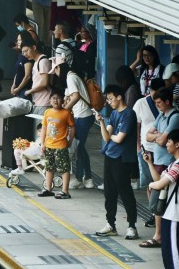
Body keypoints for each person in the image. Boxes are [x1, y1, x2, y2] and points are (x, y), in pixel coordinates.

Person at [145, 130, 179, 269]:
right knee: (166, 249)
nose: (166, 144)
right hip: (168, 212)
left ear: (177, 144)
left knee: (174, 250)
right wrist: (150, 163)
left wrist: (151, 186)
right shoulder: (173, 164)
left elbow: (159, 184)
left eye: (169, 142)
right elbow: (159, 180)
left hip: (175, 213)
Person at [94, 85, 139, 240]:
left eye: (111, 98)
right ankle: (110, 224)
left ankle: (132, 225)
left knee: (125, 191)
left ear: (120, 97)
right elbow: (107, 137)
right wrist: (100, 121)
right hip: (110, 156)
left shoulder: (129, 114)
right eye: (108, 99)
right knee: (109, 192)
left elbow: (119, 139)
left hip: (123, 158)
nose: (109, 101)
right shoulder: (113, 114)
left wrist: (112, 134)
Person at [141, 86, 179, 248]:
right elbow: (148, 135)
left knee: (160, 198)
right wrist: (159, 136)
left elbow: (162, 140)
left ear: (167, 101)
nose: (157, 105)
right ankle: (159, 233)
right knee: (157, 196)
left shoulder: (175, 117)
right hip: (158, 160)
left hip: (167, 162)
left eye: (159, 102)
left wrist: (158, 136)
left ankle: (159, 235)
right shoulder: (162, 115)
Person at [58, 61, 95, 189]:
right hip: (81, 116)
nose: (56, 74)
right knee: (81, 147)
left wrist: (63, 111)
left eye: (56, 70)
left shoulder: (70, 77)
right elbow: (68, 97)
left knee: (79, 147)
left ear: (59, 68)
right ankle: (88, 177)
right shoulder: (71, 76)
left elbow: (76, 97)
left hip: (83, 116)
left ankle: (80, 178)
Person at [37, 91, 74, 199]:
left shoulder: (66, 113)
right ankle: (48, 189)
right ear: (49, 100)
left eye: (58, 98)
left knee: (64, 168)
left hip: (61, 145)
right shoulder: (47, 112)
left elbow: (72, 127)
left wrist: (70, 140)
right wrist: (42, 143)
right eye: (53, 98)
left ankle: (65, 191)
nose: (55, 100)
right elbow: (44, 128)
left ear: (62, 101)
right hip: (49, 145)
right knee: (49, 168)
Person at [22, 43, 53, 110]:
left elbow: (44, 83)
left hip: (44, 102)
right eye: (23, 52)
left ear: (34, 47)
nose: (25, 54)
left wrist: (29, 91)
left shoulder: (42, 61)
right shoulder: (36, 61)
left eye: (26, 50)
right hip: (38, 101)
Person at [9, 33, 35, 98]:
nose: (17, 42)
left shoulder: (28, 56)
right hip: (18, 89)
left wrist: (18, 89)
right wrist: (13, 85)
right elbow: (18, 73)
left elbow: (27, 76)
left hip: (25, 90)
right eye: (17, 40)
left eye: (19, 40)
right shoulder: (21, 55)